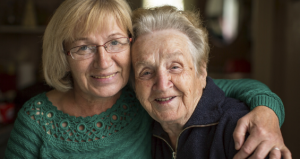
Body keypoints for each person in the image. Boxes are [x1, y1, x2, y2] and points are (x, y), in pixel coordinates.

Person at [4, 0, 289, 158]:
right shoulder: (36, 120)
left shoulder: (142, 94)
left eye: (114, 42)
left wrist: (267, 113)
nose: (104, 62)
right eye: (83, 47)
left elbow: (239, 88)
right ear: (64, 54)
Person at [131, 5, 291, 159]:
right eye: (146, 72)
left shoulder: (240, 130)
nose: (162, 84)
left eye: (175, 67)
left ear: (201, 71)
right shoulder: (142, 128)